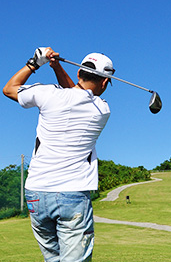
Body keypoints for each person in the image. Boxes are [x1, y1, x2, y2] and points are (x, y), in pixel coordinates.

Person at [3, 47, 115, 262]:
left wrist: (36, 63)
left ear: (79, 73)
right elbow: (77, 93)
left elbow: (9, 89)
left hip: (36, 192)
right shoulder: (102, 110)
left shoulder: (47, 93)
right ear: (104, 82)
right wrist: (57, 68)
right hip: (72, 193)